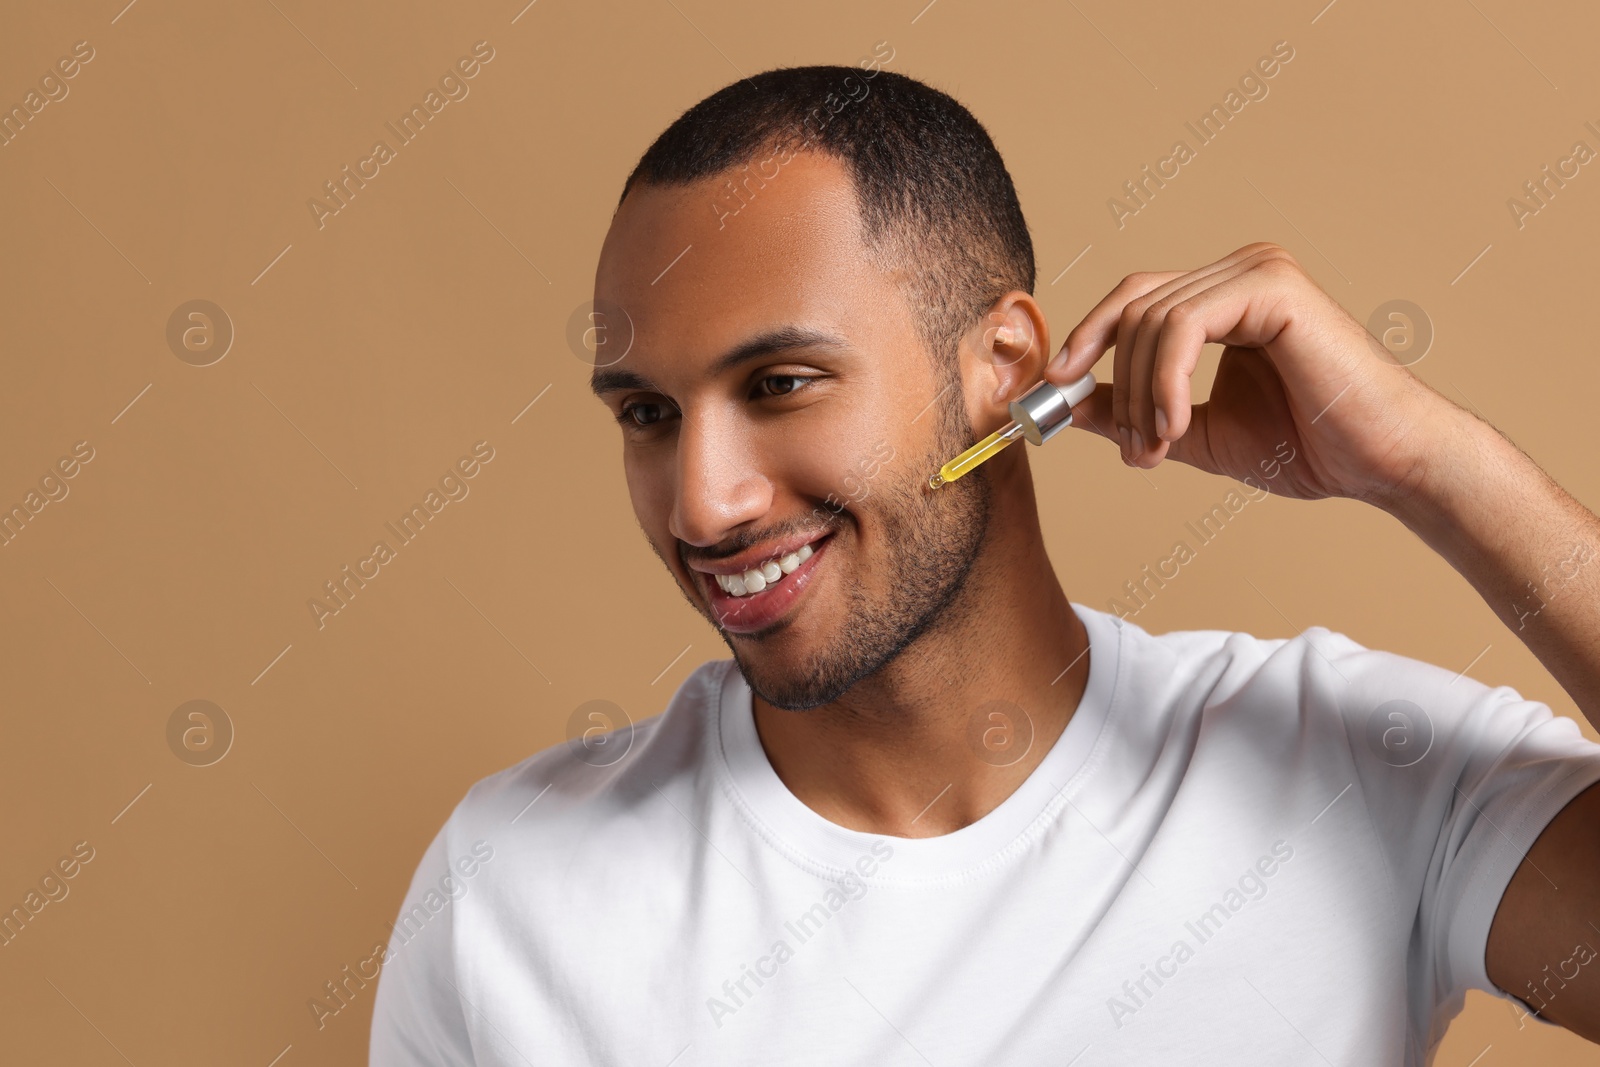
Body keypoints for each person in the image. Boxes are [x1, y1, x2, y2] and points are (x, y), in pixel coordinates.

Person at [369, 65, 1600, 1065]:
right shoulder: (511, 890)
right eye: (646, 414)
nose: (703, 501)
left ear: (1003, 370)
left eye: (779, 384)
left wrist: (1429, 464)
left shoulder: (1349, 765)